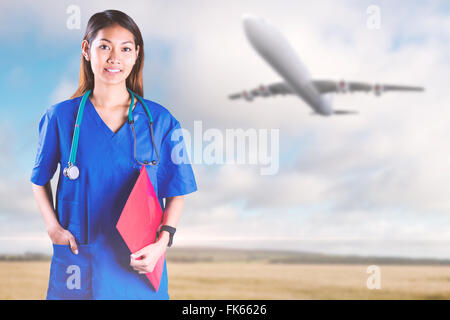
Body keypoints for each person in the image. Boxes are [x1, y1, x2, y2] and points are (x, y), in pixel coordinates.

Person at [30, 9, 197, 300]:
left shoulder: (162, 122)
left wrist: (161, 244)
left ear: (136, 55)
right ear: (86, 49)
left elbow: (177, 191)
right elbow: (38, 180)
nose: (114, 58)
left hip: (139, 264)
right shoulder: (60, 118)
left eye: (125, 48)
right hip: (78, 262)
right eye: (104, 46)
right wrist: (52, 228)